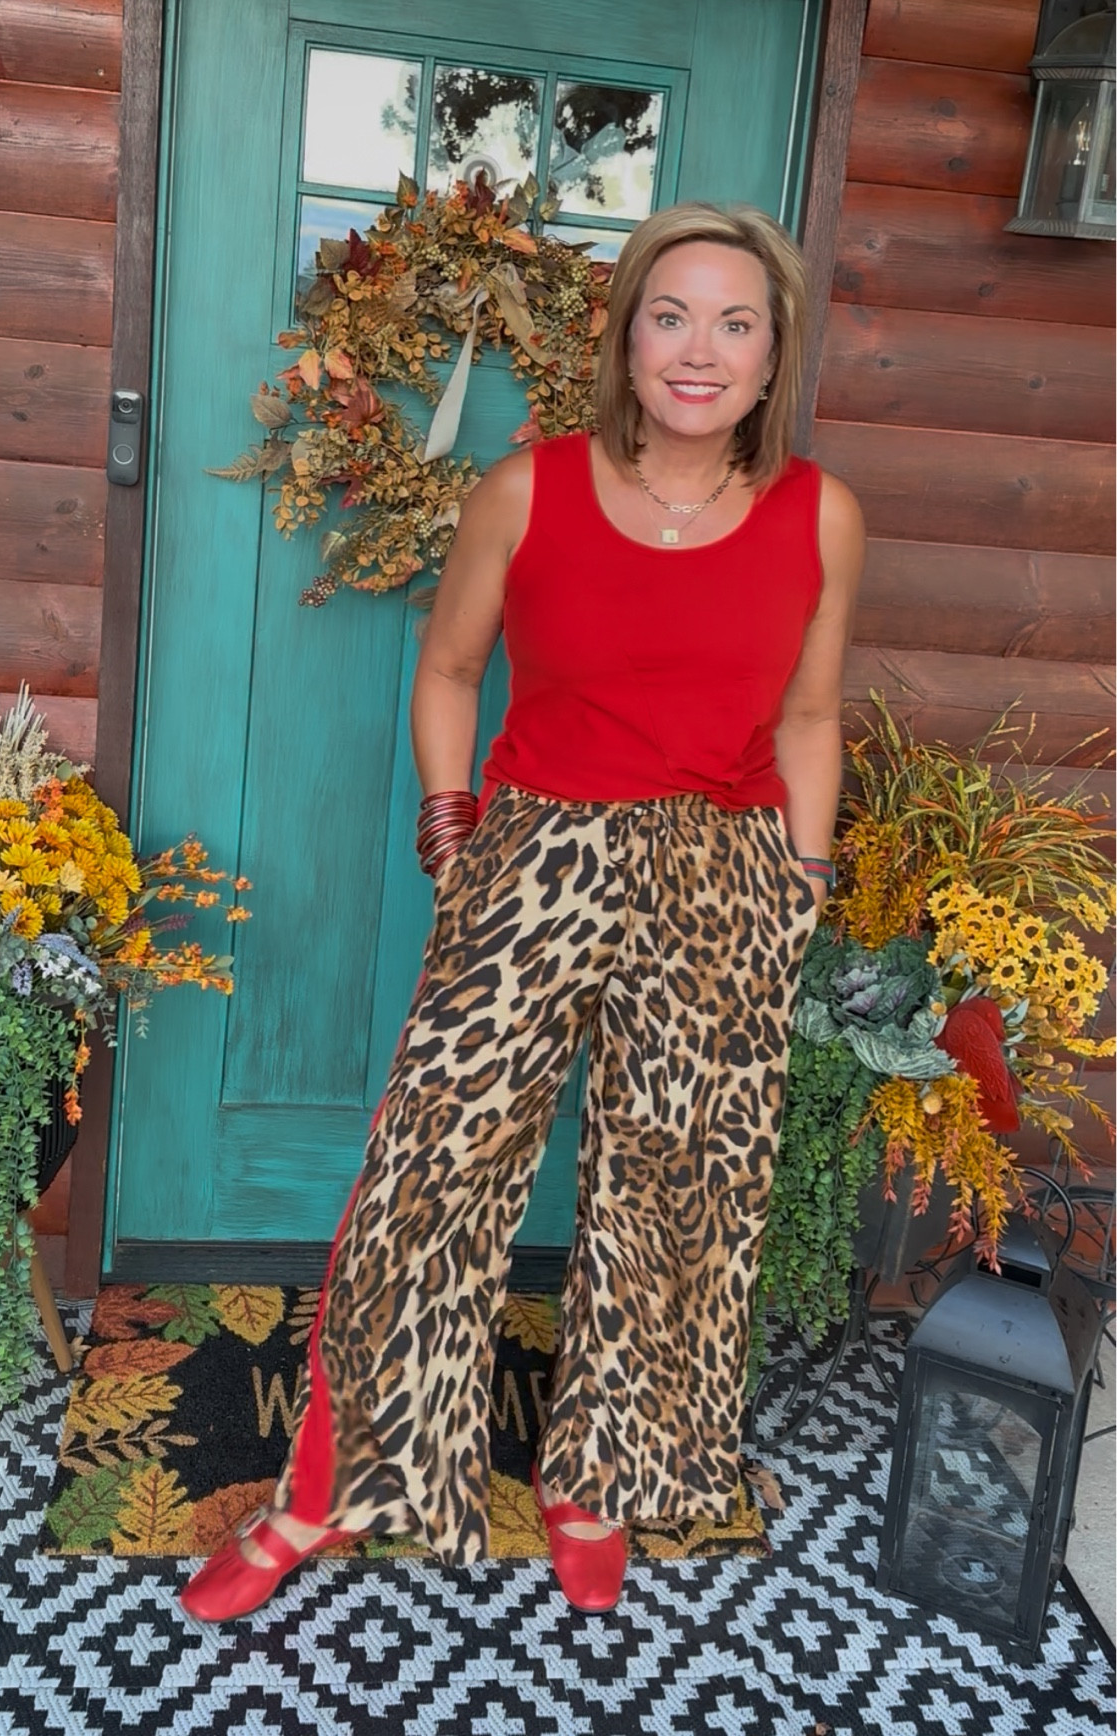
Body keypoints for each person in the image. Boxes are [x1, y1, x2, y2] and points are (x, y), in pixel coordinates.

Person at [180, 199, 865, 1623]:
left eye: (736, 323)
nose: (701, 349)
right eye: (672, 314)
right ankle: (330, 1492)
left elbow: (809, 713)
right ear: (625, 336)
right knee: (432, 1168)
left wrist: (800, 883)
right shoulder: (528, 489)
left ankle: (596, 1480)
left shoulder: (819, 516)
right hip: (538, 851)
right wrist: (455, 833)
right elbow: (447, 671)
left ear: (772, 353)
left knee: (680, 1190)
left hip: (726, 872)